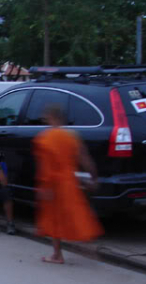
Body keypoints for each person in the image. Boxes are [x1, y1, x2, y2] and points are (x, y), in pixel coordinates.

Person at [33, 104, 101, 264]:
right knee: (75, 214)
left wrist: (44, 186)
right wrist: (93, 177)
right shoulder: (72, 136)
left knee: (55, 219)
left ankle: (58, 254)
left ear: (51, 118)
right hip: (69, 181)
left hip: (53, 183)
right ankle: (83, 247)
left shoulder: (45, 138)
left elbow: (45, 165)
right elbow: (85, 159)